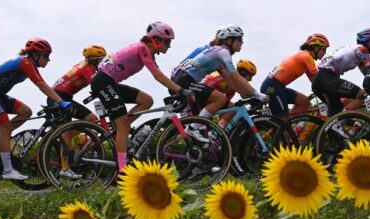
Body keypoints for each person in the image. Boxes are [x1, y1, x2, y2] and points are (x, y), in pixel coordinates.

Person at [90, 22, 190, 172]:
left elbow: (158, 74)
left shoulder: (145, 51)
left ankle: (121, 125)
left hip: (109, 81)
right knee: (124, 124)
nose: (169, 46)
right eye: (167, 41)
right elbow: (158, 75)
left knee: (146, 101)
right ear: (156, 40)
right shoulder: (143, 48)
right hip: (103, 81)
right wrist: (181, 90)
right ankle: (122, 170)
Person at [0, 38, 72, 180]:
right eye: (46, 56)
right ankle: (8, 171)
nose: (48, 60)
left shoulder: (28, 64)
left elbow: (42, 84)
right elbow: (42, 85)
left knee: (26, 112)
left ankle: (2, 137)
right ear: (36, 55)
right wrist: (61, 101)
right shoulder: (24, 62)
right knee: (6, 126)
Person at [171, 24, 266, 141]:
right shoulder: (223, 52)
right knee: (220, 98)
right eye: (239, 39)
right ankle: (193, 128)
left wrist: (246, 94)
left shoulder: (218, 56)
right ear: (229, 40)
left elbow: (230, 80)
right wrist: (257, 94)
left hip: (185, 80)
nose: (242, 42)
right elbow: (236, 77)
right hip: (184, 80)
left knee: (231, 107)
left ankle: (211, 134)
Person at [48, 45, 107, 179]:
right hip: (58, 98)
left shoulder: (87, 66)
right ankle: (65, 168)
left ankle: (67, 140)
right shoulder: (86, 69)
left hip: (64, 97)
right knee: (66, 132)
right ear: (93, 60)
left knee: (92, 119)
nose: (102, 63)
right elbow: (99, 86)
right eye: (100, 60)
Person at [312, 28, 370, 115]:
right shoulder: (363, 50)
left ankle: (331, 125)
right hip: (328, 78)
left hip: (319, 80)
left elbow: (368, 77)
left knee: (336, 112)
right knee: (362, 96)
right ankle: (339, 120)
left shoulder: (357, 52)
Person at [261, 34, 330, 119]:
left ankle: (286, 126)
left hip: (276, 85)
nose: (325, 52)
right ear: (316, 48)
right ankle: (284, 128)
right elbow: (319, 79)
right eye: (324, 49)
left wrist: (325, 96)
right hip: (272, 86)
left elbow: (315, 82)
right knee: (284, 120)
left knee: (304, 102)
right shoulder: (307, 57)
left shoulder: (304, 57)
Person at [200, 59, 257, 127]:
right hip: (202, 95)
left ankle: (219, 129)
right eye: (250, 76)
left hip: (209, 97)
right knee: (232, 108)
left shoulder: (234, 83)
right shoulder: (228, 77)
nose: (251, 80)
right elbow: (208, 86)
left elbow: (228, 101)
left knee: (230, 109)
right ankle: (218, 129)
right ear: (243, 73)